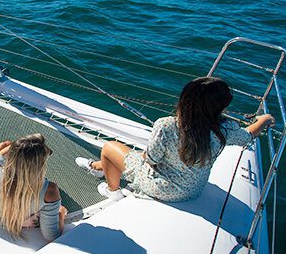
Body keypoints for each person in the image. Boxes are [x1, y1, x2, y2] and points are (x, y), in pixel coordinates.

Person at [75, 76, 275, 202]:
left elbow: (151, 160)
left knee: (111, 147)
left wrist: (144, 155)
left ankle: (112, 190)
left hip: (162, 188)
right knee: (127, 157)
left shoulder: (167, 125)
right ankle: (97, 167)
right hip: (193, 190)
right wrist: (265, 119)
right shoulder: (224, 129)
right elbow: (248, 134)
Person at [0, 134, 68, 242]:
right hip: (19, 222)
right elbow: (51, 237)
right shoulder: (49, 191)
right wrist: (61, 213)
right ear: (39, 165)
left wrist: (20, 146)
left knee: (3, 145)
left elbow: (0, 155)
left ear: (11, 156)